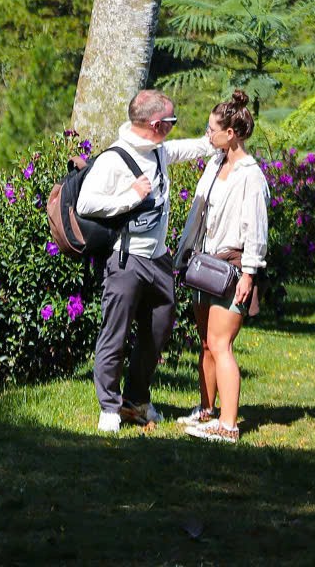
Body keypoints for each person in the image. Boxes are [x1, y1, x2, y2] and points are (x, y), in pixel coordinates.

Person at [75, 88, 213, 433]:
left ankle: (136, 399)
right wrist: (129, 196)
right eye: (172, 120)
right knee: (115, 333)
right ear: (156, 124)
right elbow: (86, 204)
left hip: (158, 259)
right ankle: (109, 405)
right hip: (126, 260)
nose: (174, 126)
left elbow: (188, 148)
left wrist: (215, 139)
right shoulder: (113, 160)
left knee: (159, 328)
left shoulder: (159, 151)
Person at [181, 89, 269, 444]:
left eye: (211, 130)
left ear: (230, 133)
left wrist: (249, 273)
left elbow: (256, 229)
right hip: (206, 263)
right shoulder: (215, 165)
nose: (208, 136)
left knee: (221, 344)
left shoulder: (251, 175)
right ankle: (207, 410)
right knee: (206, 342)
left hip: (233, 266)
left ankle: (229, 425)